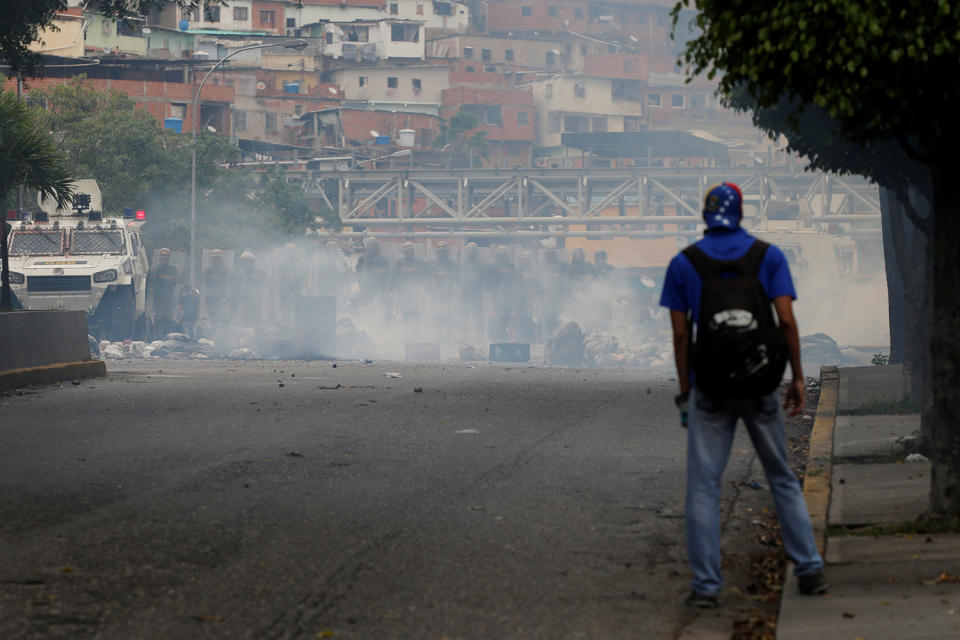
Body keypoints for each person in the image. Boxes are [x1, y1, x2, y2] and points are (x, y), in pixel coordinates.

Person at [659, 182, 827, 609]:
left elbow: (681, 335)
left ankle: (706, 588)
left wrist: (686, 394)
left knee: (703, 484)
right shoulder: (767, 256)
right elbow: (786, 322)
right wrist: (797, 378)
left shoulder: (684, 264)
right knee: (781, 477)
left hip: (710, 390)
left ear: (705, 215)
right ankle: (809, 569)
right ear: (740, 214)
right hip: (759, 384)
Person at [147, 248, 179, 336]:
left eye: (165, 258)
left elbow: (175, 283)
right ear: (159, 258)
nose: (163, 260)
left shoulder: (173, 270)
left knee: (168, 320)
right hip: (156, 300)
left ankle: (166, 336)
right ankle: (158, 337)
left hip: (169, 300)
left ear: (169, 259)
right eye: (162, 258)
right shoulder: (153, 270)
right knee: (158, 319)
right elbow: (148, 284)